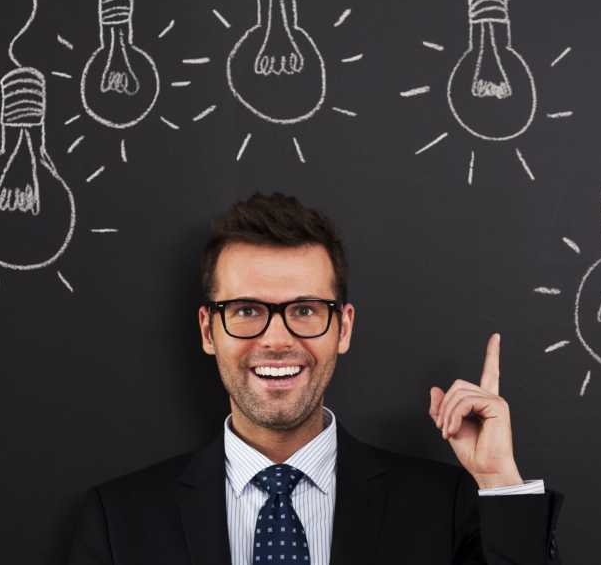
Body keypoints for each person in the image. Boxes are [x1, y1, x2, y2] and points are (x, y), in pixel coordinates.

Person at [67, 192, 563, 564]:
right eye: (246, 310)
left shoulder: (444, 507)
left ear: (343, 327)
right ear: (208, 330)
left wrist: (500, 484)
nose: (277, 339)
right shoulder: (119, 522)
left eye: (304, 310)